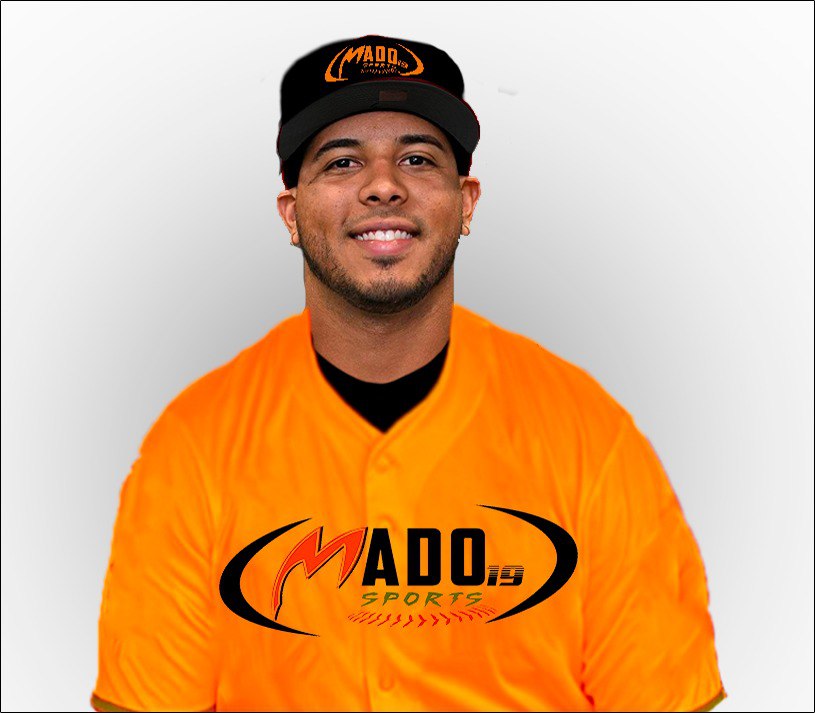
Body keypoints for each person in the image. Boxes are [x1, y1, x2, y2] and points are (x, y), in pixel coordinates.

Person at [91, 34, 727, 712]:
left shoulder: (588, 437)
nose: (383, 185)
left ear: (466, 201)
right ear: (291, 212)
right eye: (341, 161)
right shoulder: (195, 445)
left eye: (417, 158)